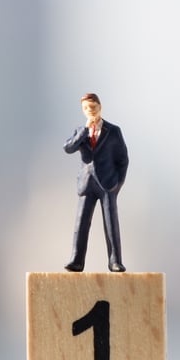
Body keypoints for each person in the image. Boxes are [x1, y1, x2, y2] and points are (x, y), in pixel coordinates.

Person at [63, 92, 129, 273]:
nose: (89, 110)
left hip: (107, 183)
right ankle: (77, 260)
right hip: (86, 183)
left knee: (110, 223)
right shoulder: (80, 131)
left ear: (99, 107)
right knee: (81, 224)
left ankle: (115, 261)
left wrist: (118, 183)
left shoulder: (113, 131)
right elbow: (68, 148)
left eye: (92, 107)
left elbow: (123, 159)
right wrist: (83, 132)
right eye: (85, 108)